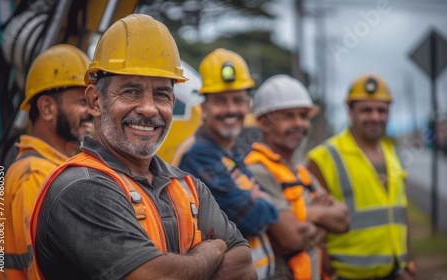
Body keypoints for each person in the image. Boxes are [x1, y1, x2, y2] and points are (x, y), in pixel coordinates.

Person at [30, 14, 256, 280]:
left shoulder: (187, 186)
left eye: (161, 94)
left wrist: (182, 269)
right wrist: (213, 249)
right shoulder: (81, 187)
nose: (149, 109)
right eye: (131, 92)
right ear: (94, 101)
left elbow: (244, 267)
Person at [0, 44, 92, 280]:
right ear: (47, 108)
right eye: (82, 102)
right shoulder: (37, 175)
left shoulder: (49, 169)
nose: (93, 112)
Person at [178, 48, 279, 279]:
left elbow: (270, 210)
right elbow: (253, 220)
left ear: (248, 106)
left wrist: (261, 199)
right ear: (204, 109)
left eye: (238, 100)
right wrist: (258, 197)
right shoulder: (199, 156)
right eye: (221, 101)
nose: (231, 109)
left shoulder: (229, 152)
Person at [307, 73, 416, 280]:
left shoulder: (391, 154)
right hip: (346, 275)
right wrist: (328, 270)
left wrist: (407, 263)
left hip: (395, 273)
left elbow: (401, 214)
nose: (375, 117)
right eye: (366, 110)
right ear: (350, 112)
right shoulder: (323, 157)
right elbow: (312, 224)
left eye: (381, 110)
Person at [245, 74, 350, 280]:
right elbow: (292, 237)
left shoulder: (300, 172)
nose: (299, 123)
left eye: (303, 116)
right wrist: (320, 215)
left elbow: (344, 220)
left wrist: (303, 216)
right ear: (264, 123)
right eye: (288, 116)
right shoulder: (256, 171)